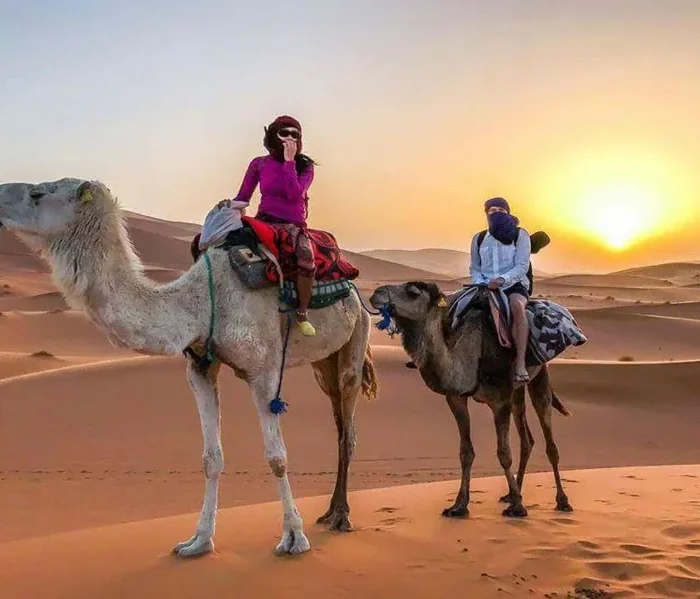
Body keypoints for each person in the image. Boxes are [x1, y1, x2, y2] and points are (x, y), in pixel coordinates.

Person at [217, 115, 318, 337]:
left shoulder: (305, 166)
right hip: (265, 219)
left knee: (306, 259)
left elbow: (294, 194)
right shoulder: (259, 163)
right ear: (274, 135)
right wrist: (228, 206)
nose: (290, 138)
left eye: (295, 134)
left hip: (293, 226)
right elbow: (244, 196)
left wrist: (290, 162)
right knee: (226, 247)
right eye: (285, 133)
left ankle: (302, 312)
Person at [470, 197, 532, 383]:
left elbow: (522, 265)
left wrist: (502, 280)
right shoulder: (479, 238)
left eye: (500, 210)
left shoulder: (520, 234)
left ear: (508, 212)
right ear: (487, 214)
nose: (496, 213)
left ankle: (520, 363)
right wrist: (481, 281)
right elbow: (474, 267)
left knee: (516, 308)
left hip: (514, 285)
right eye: (492, 210)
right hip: (483, 285)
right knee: (451, 306)